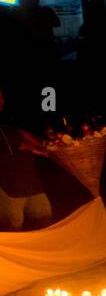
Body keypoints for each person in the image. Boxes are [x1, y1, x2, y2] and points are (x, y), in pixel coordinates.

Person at [0, 85, 53, 231]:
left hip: (32, 184)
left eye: (2, 96)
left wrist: (46, 145)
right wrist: (38, 149)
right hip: (9, 188)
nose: (2, 100)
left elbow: (24, 134)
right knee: (13, 229)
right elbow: (17, 143)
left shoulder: (10, 121)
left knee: (44, 223)